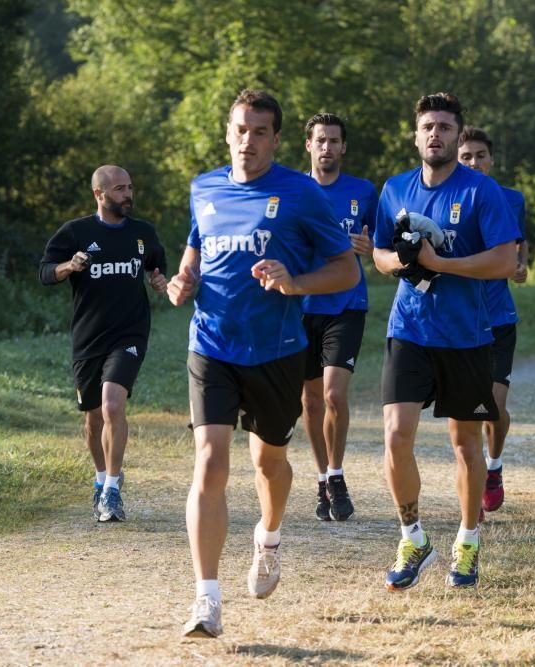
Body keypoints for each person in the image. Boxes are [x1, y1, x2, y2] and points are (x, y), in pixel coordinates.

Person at [169, 89, 358, 638]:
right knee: (210, 459)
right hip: (211, 344)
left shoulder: (300, 194)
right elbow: (196, 248)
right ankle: (206, 598)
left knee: (269, 464)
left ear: (276, 139)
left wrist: (295, 283)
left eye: (259, 132)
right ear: (227, 132)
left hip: (276, 351)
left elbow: (345, 271)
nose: (247, 141)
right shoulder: (204, 188)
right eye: (239, 129)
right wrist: (185, 279)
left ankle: (269, 538)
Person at [373, 93, 518, 590]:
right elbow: (378, 253)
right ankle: (413, 536)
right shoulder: (394, 190)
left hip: (467, 335)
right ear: (415, 135)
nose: (435, 134)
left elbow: (504, 261)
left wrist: (441, 265)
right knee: (395, 434)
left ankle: (468, 539)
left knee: (464, 444)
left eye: (445, 127)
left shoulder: (482, 192)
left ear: (459, 136)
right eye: (427, 126)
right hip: (408, 329)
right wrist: (403, 263)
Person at [39, 165, 168, 523]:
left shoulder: (143, 233)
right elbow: (46, 271)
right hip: (88, 338)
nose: (128, 194)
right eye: (120, 189)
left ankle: (112, 489)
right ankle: (100, 479)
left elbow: (156, 266)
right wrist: (69, 265)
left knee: (113, 404)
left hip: (130, 333)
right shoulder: (76, 232)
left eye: (130, 187)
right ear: (100, 194)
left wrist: (159, 280)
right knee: (93, 418)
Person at [300, 113, 379, 522]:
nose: (327, 147)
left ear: (343, 147)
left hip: (347, 305)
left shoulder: (363, 191)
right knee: (311, 400)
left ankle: (337, 474)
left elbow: (382, 243)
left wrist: (370, 246)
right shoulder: (292, 190)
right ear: (309, 146)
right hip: (300, 306)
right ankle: (321, 478)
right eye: (321, 140)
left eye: (334, 140)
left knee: (333, 394)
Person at [456, 126, 528, 518]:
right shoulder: (449, 198)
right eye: (466, 156)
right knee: (469, 414)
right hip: (462, 320)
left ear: (491, 159)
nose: (473, 163)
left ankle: (493, 468)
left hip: (499, 318)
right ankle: (473, 483)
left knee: (494, 408)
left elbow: (519, 246)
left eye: (480, 155)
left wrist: (521, 267)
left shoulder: (511, 200)